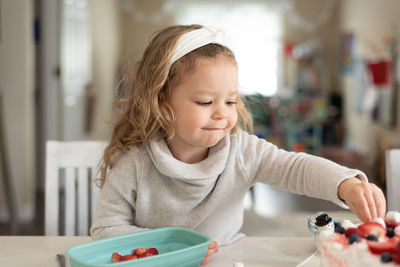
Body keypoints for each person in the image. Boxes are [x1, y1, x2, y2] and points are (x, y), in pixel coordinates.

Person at [90, 24, 386, 264]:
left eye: (230, 101)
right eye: (205, 101)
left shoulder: (241, 151)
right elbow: (105, 229)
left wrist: (345, 185)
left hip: (228, 260)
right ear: (160, 102)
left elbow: (296, 167)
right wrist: (170, 250)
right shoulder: (135, 162)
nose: (221, 113)